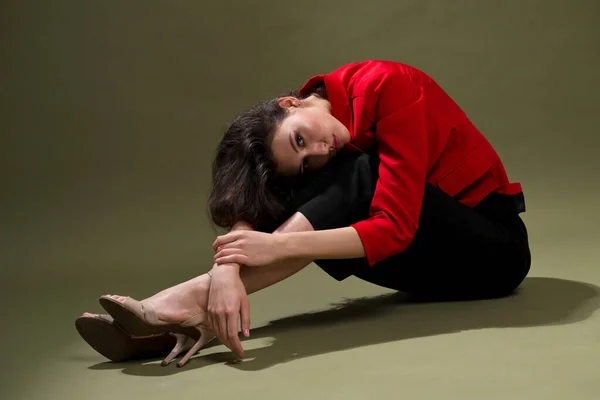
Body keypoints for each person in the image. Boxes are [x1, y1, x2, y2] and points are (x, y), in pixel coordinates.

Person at [76, 60, 531, 367]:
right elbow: (256, 201)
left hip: (493, 251)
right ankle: (196, 310)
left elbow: (395, 227)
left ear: (289, 102)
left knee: (361, 171)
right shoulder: (317, 141)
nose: (317, 149)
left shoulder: (387, 85)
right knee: (324, 181)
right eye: (304, 153)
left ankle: (188, 302)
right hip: (426, 262)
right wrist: (228, 268)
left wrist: (275, 244)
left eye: (299, 139)